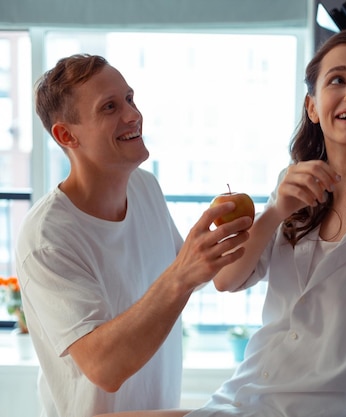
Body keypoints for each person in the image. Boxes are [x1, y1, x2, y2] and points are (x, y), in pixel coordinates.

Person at [96, 28, 346, 417]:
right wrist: (275, 211)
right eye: (337, 79)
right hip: (244, 399)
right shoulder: (293, 187)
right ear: (312, 106)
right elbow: (228, 280)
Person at [15, 54, 252, 417]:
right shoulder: (47, 238)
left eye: (129, 98)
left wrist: (277, 214)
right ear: (66, 135)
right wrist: (184, 273)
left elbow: (184, 278)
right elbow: (105, 369)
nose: (132, 115)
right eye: (109, 107)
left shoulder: (144, 187)